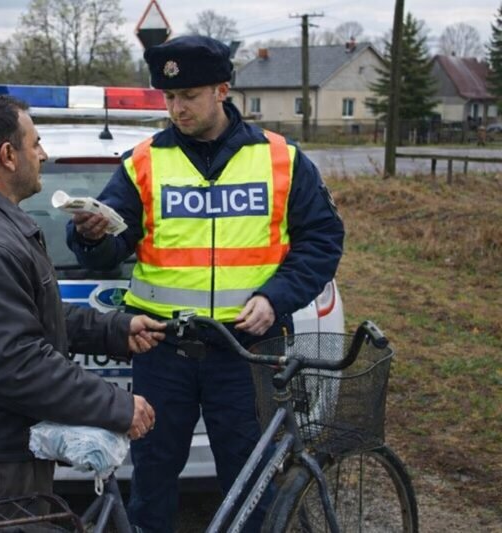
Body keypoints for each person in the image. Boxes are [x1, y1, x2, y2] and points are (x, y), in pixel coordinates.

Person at [66, 35, 345, 532]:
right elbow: (111, 245)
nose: (177, 108)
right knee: (152, 478)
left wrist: (275, 297)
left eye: (189, 96)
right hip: (163, 350)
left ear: (222, 89)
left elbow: (323, 241)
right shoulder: (144, 163)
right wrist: (88, 236)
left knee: (252, 479)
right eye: (169, 98)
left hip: (248, 351)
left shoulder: (282, 159)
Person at [0, 94, 165, 528]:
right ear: (7, 156)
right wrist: (115, 404)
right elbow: (15, 365)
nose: (43, 154)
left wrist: (115, 331)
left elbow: (33, 318)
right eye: (35, 144)